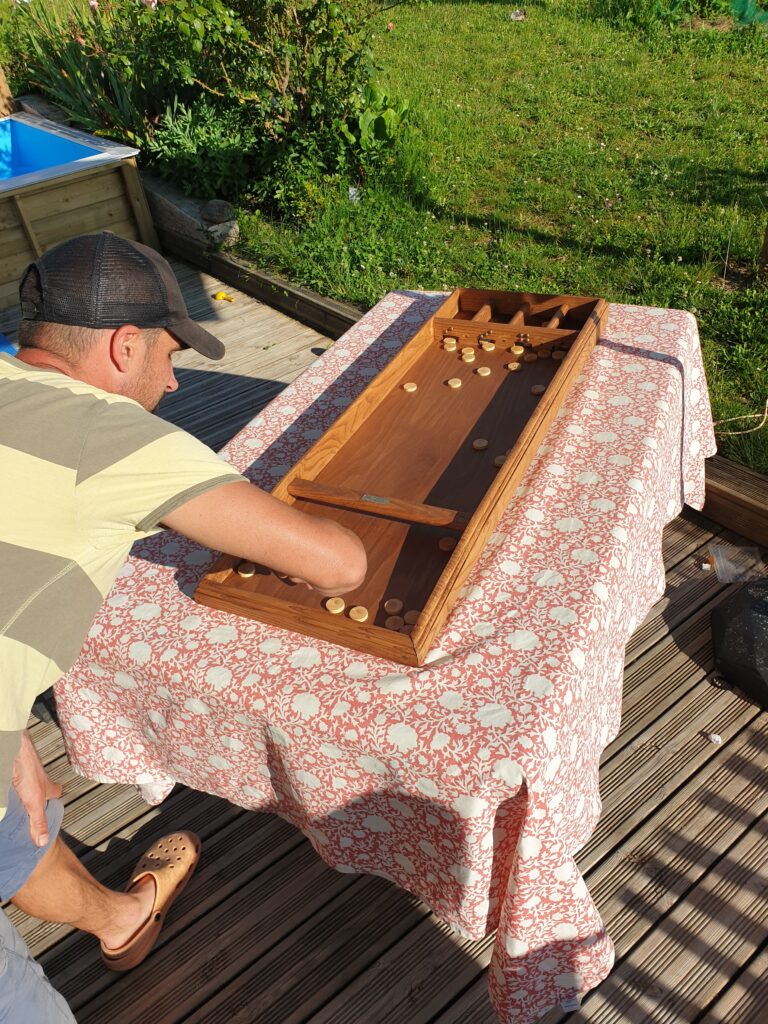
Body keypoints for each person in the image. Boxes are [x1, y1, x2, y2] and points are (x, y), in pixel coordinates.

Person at [0, 232, 367, 1020]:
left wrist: (11, 732)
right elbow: (337, 564)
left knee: (15, 816)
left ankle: (123, 920)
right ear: (124, 345)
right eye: (169, 355)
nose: (172, 381)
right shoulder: (111, 436)